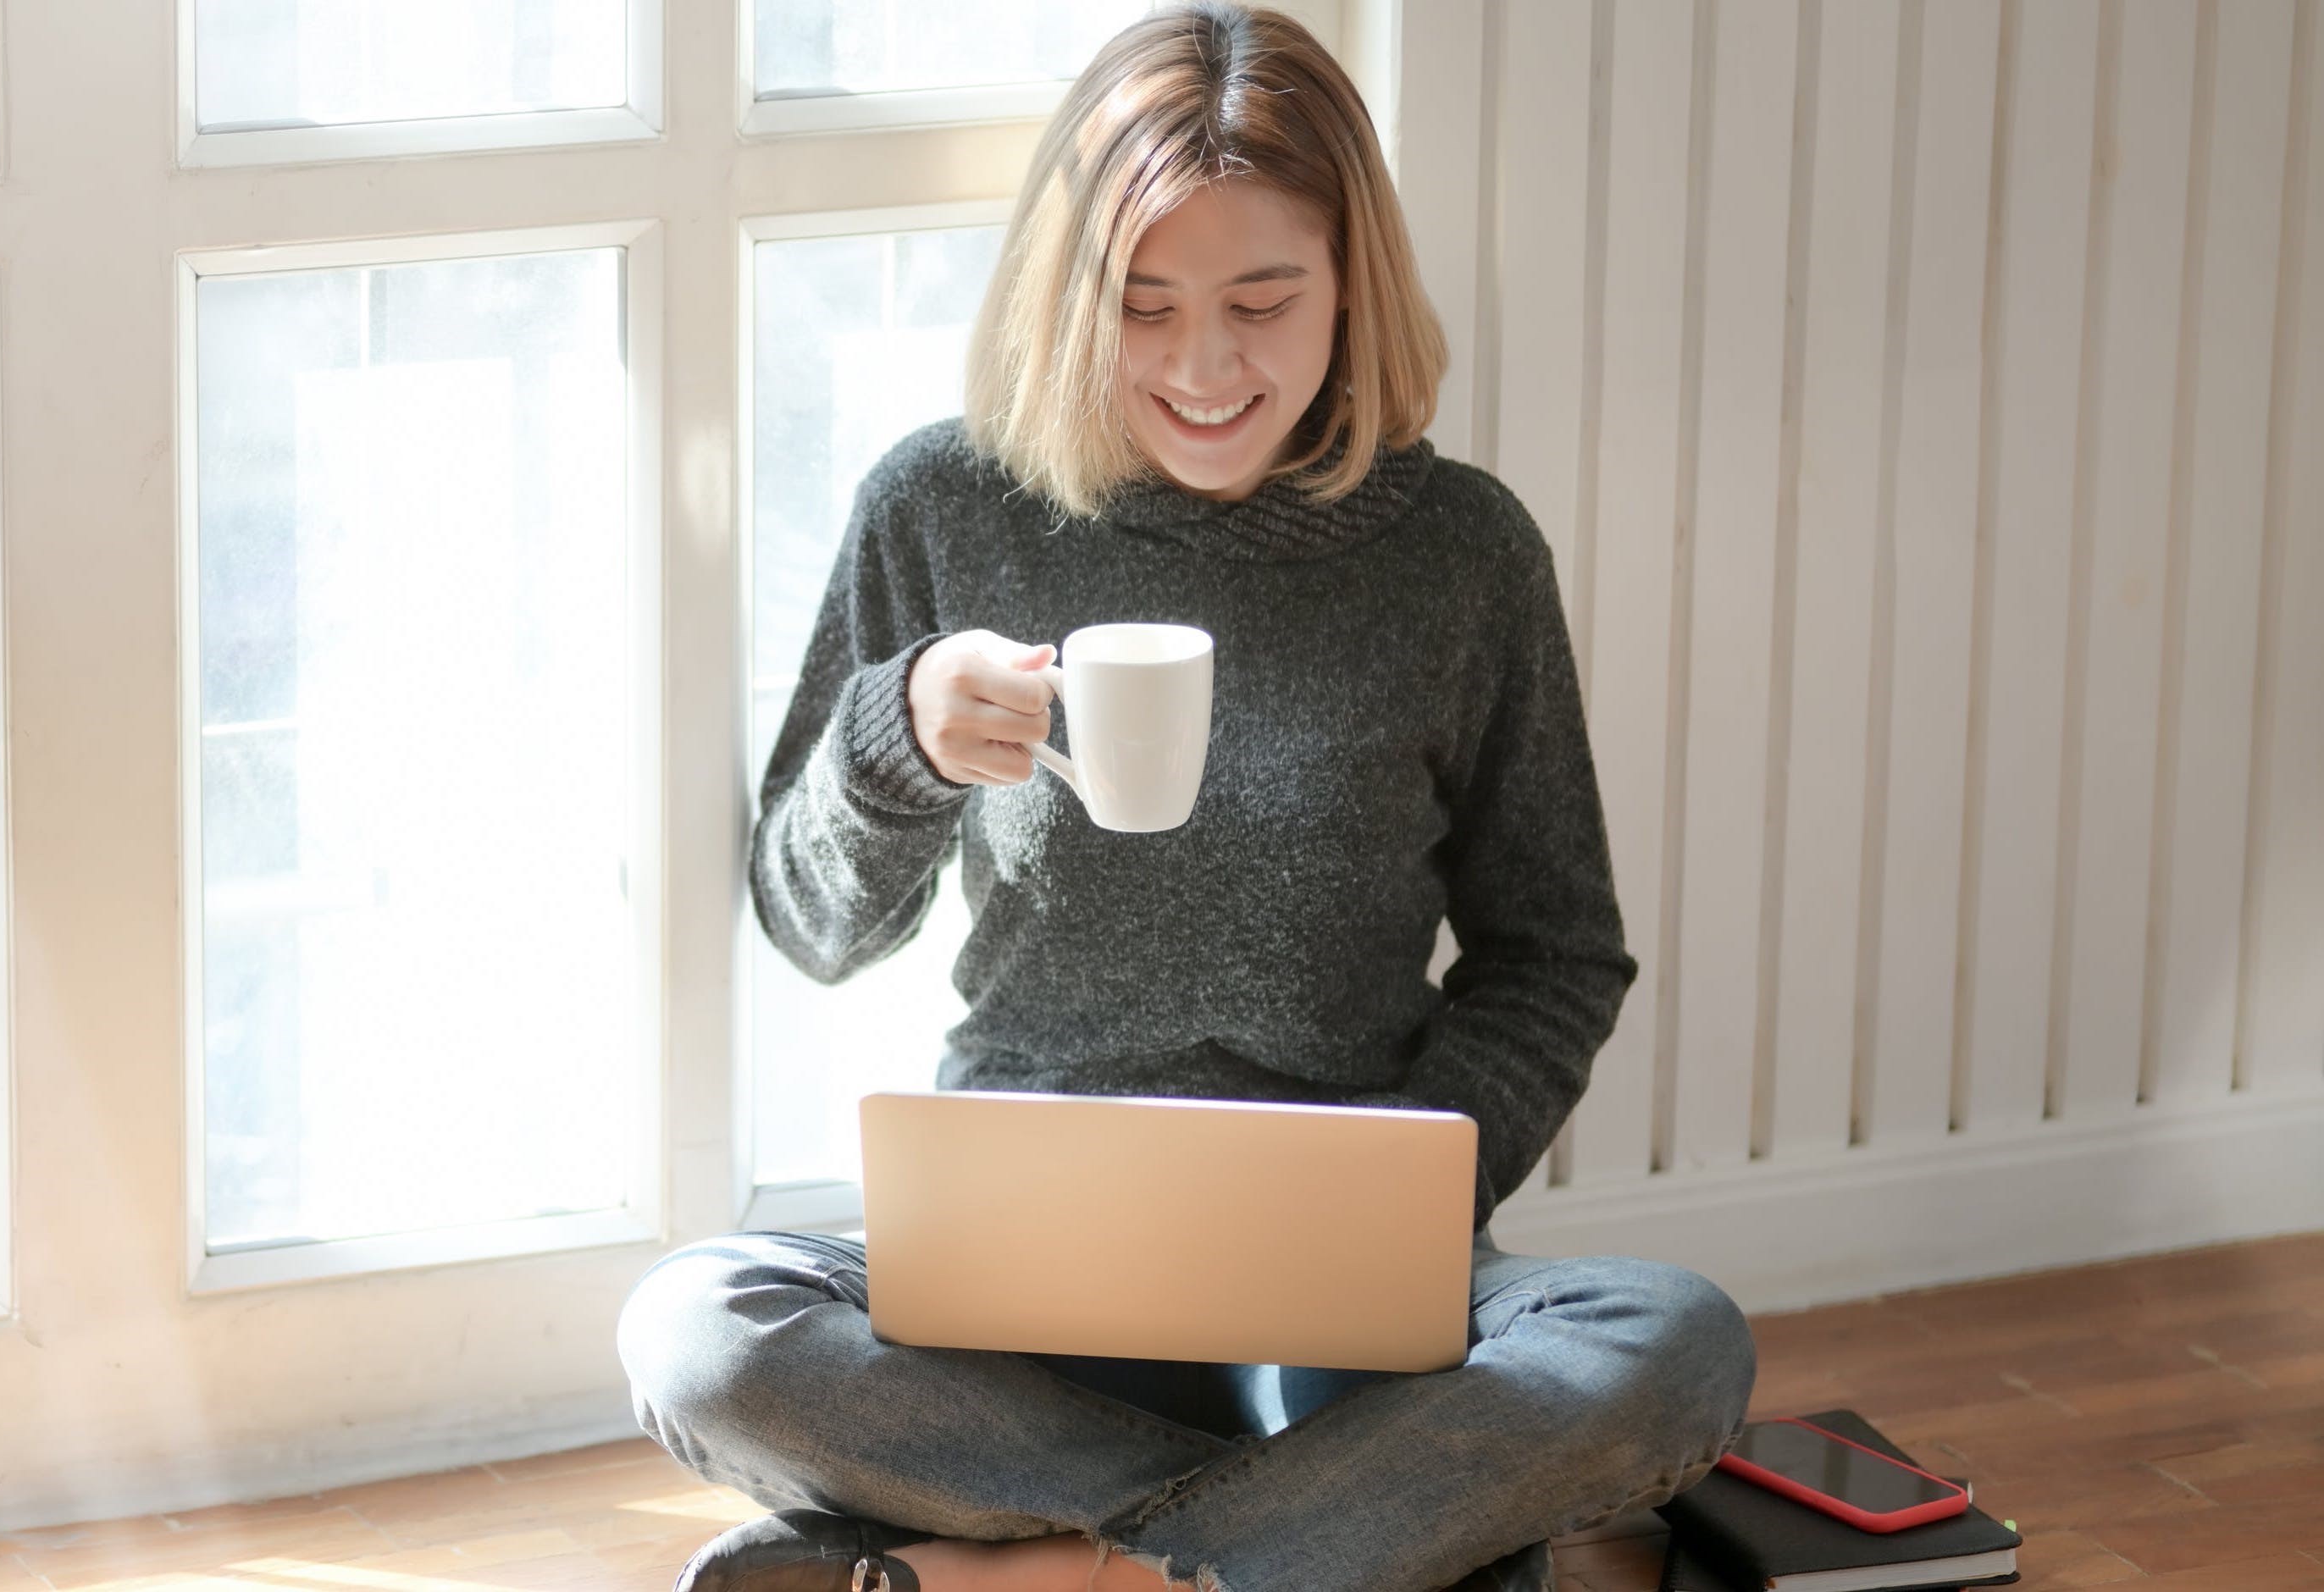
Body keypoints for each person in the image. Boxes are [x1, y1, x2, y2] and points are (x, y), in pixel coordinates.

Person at [612, 6, 1760, 1591]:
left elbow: (1556, 955)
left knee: (1673, 1342)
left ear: (1351, 285)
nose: (1203, 368)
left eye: (1262, 303)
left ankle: (1020, 1568)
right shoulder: (943, 505)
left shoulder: (1462, 555)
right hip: (1014, 1267)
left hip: (1342, 1288)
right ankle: (1324, 1541)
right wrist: (898, 742)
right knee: (698, 1328)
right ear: (1066, 293)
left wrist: (1403, 1187)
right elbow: (810, 926)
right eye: (1141, 307)